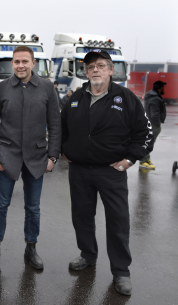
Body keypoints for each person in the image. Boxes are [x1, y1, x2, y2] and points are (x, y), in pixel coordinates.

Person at [61, 50, 153, 296]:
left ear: (111, 70)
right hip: (79, 171)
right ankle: (88, 255)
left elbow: (145, 132)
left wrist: (131, 159)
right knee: (81, 217)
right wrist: (64, 150)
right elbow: (61, 129)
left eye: (101, 66)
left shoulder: (127, 98)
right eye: (90, 67)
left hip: (111, 172)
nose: (95, 70)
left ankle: (121, 271)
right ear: (86, 71)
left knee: (118, 221)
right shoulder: (75, 98)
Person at [0, 45, 61, 270]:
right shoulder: (1, 89)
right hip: (7, 155)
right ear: (12, 63)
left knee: (33, 207)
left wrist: (53, 157)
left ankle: (31, 247)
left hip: (37, 157)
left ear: (33, 63)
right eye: (16, 62)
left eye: (25, 61)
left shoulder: (47, 89)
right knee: (1, 205)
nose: (20, 66)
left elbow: (55, 126)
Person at [139, 80, 167, 169]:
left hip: (149, 122)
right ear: (159, 88)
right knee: (149, 143)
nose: (163, 89)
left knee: (149, 142)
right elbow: (154, 113)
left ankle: (146, 159)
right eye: (163, 87)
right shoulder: (155, 98)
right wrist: (157, 124)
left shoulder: (152, 96)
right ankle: (143, 162)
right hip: (153, 124)